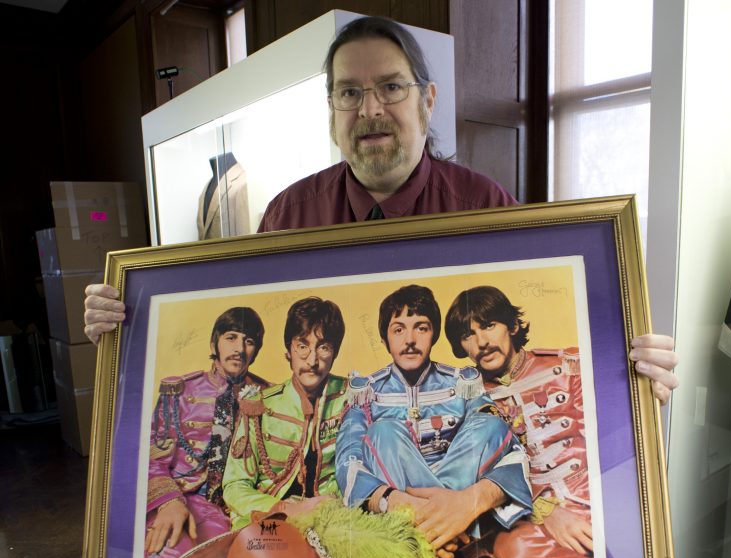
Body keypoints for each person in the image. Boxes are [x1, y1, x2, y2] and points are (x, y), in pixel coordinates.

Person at [83, 16, 677, 402]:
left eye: (391, 87)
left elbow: (533, 338)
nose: (370, 109)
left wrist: (626, 364)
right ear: (332, 110)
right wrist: (128, 322)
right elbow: (222, 327)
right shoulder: (287, 215)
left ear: (427, 101)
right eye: (349, 93)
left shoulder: (487, 209)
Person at [336, 284, 532, 558]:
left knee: (491, 426)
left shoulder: (462, 382)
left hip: (460, 504)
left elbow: (509, 448)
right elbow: (348, 460)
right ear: (384, 339)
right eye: (399, 329)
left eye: (421, 327)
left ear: (434, 335)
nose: (410, 340)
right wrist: (393, 500)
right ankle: (446, 538)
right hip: (397, 507)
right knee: (384, 431)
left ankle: (442, 534)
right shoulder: (366, 391)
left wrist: (464, 504)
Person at [444, 286, 593, 558]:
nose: (482, 342)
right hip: (525, 519)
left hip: (594, 501)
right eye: (468, 335)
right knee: (516, 552)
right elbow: (473, 478)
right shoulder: (464, 399)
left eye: (489, 325)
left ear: (512, 325)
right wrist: (547, 511)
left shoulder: (570, 366)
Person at [145, 307, 271, 558]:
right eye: (231, 337)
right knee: (167, 556)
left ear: (256, 351)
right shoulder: (179, 390)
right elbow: (151, 458)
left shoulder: (268, 395)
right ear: (215, 341)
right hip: (182, 497)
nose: (239, 348)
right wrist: (169, 502)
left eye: (249, 341)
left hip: (238, 506)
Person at [222, 297, 348, 529]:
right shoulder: (259, 405)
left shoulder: (352, 398)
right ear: (288, 351)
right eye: (302, 346)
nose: (312, 360)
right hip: (270, 518)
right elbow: (235, 485)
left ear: (334, 353)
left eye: (323, 347)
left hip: (333, 517)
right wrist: (285, 510)